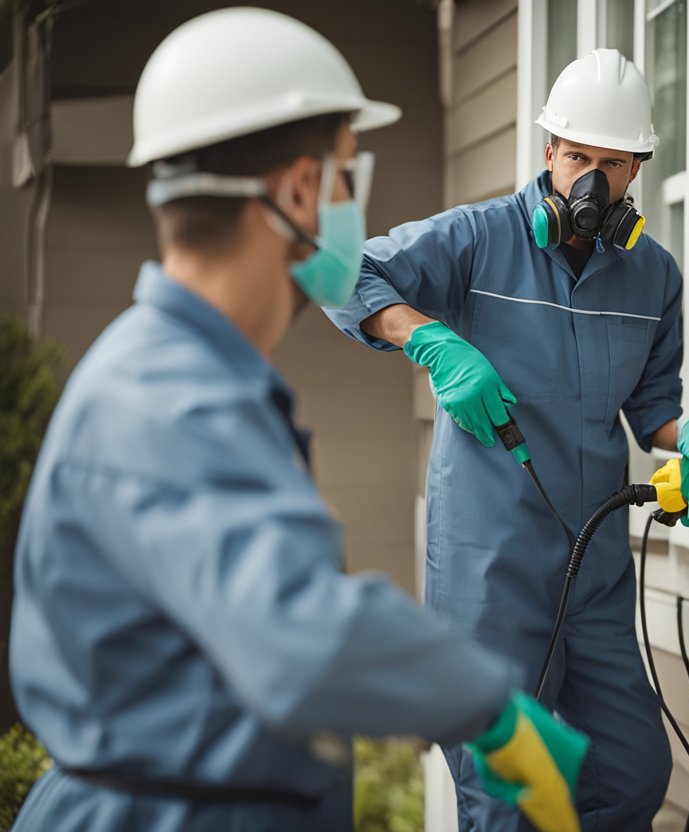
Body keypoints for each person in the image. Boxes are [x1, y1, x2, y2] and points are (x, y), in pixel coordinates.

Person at [8, 9, 585, 831]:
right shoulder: (171, 398)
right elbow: (301, 636)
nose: (354, 204)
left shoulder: (188, 376)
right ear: (299, 191)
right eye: (350, 176)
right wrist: (489, 706)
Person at [325, 47, 689, 830]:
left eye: (611, 163)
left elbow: (653, 408)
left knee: (633, 774)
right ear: (548, 152)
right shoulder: (479, 240)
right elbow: (339, 269)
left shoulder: (655, 277)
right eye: (576, 155)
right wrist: (431, 341)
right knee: (513, 800)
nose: (589, 180)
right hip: (492, 579)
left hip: (597, 574)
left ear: (637, 170)